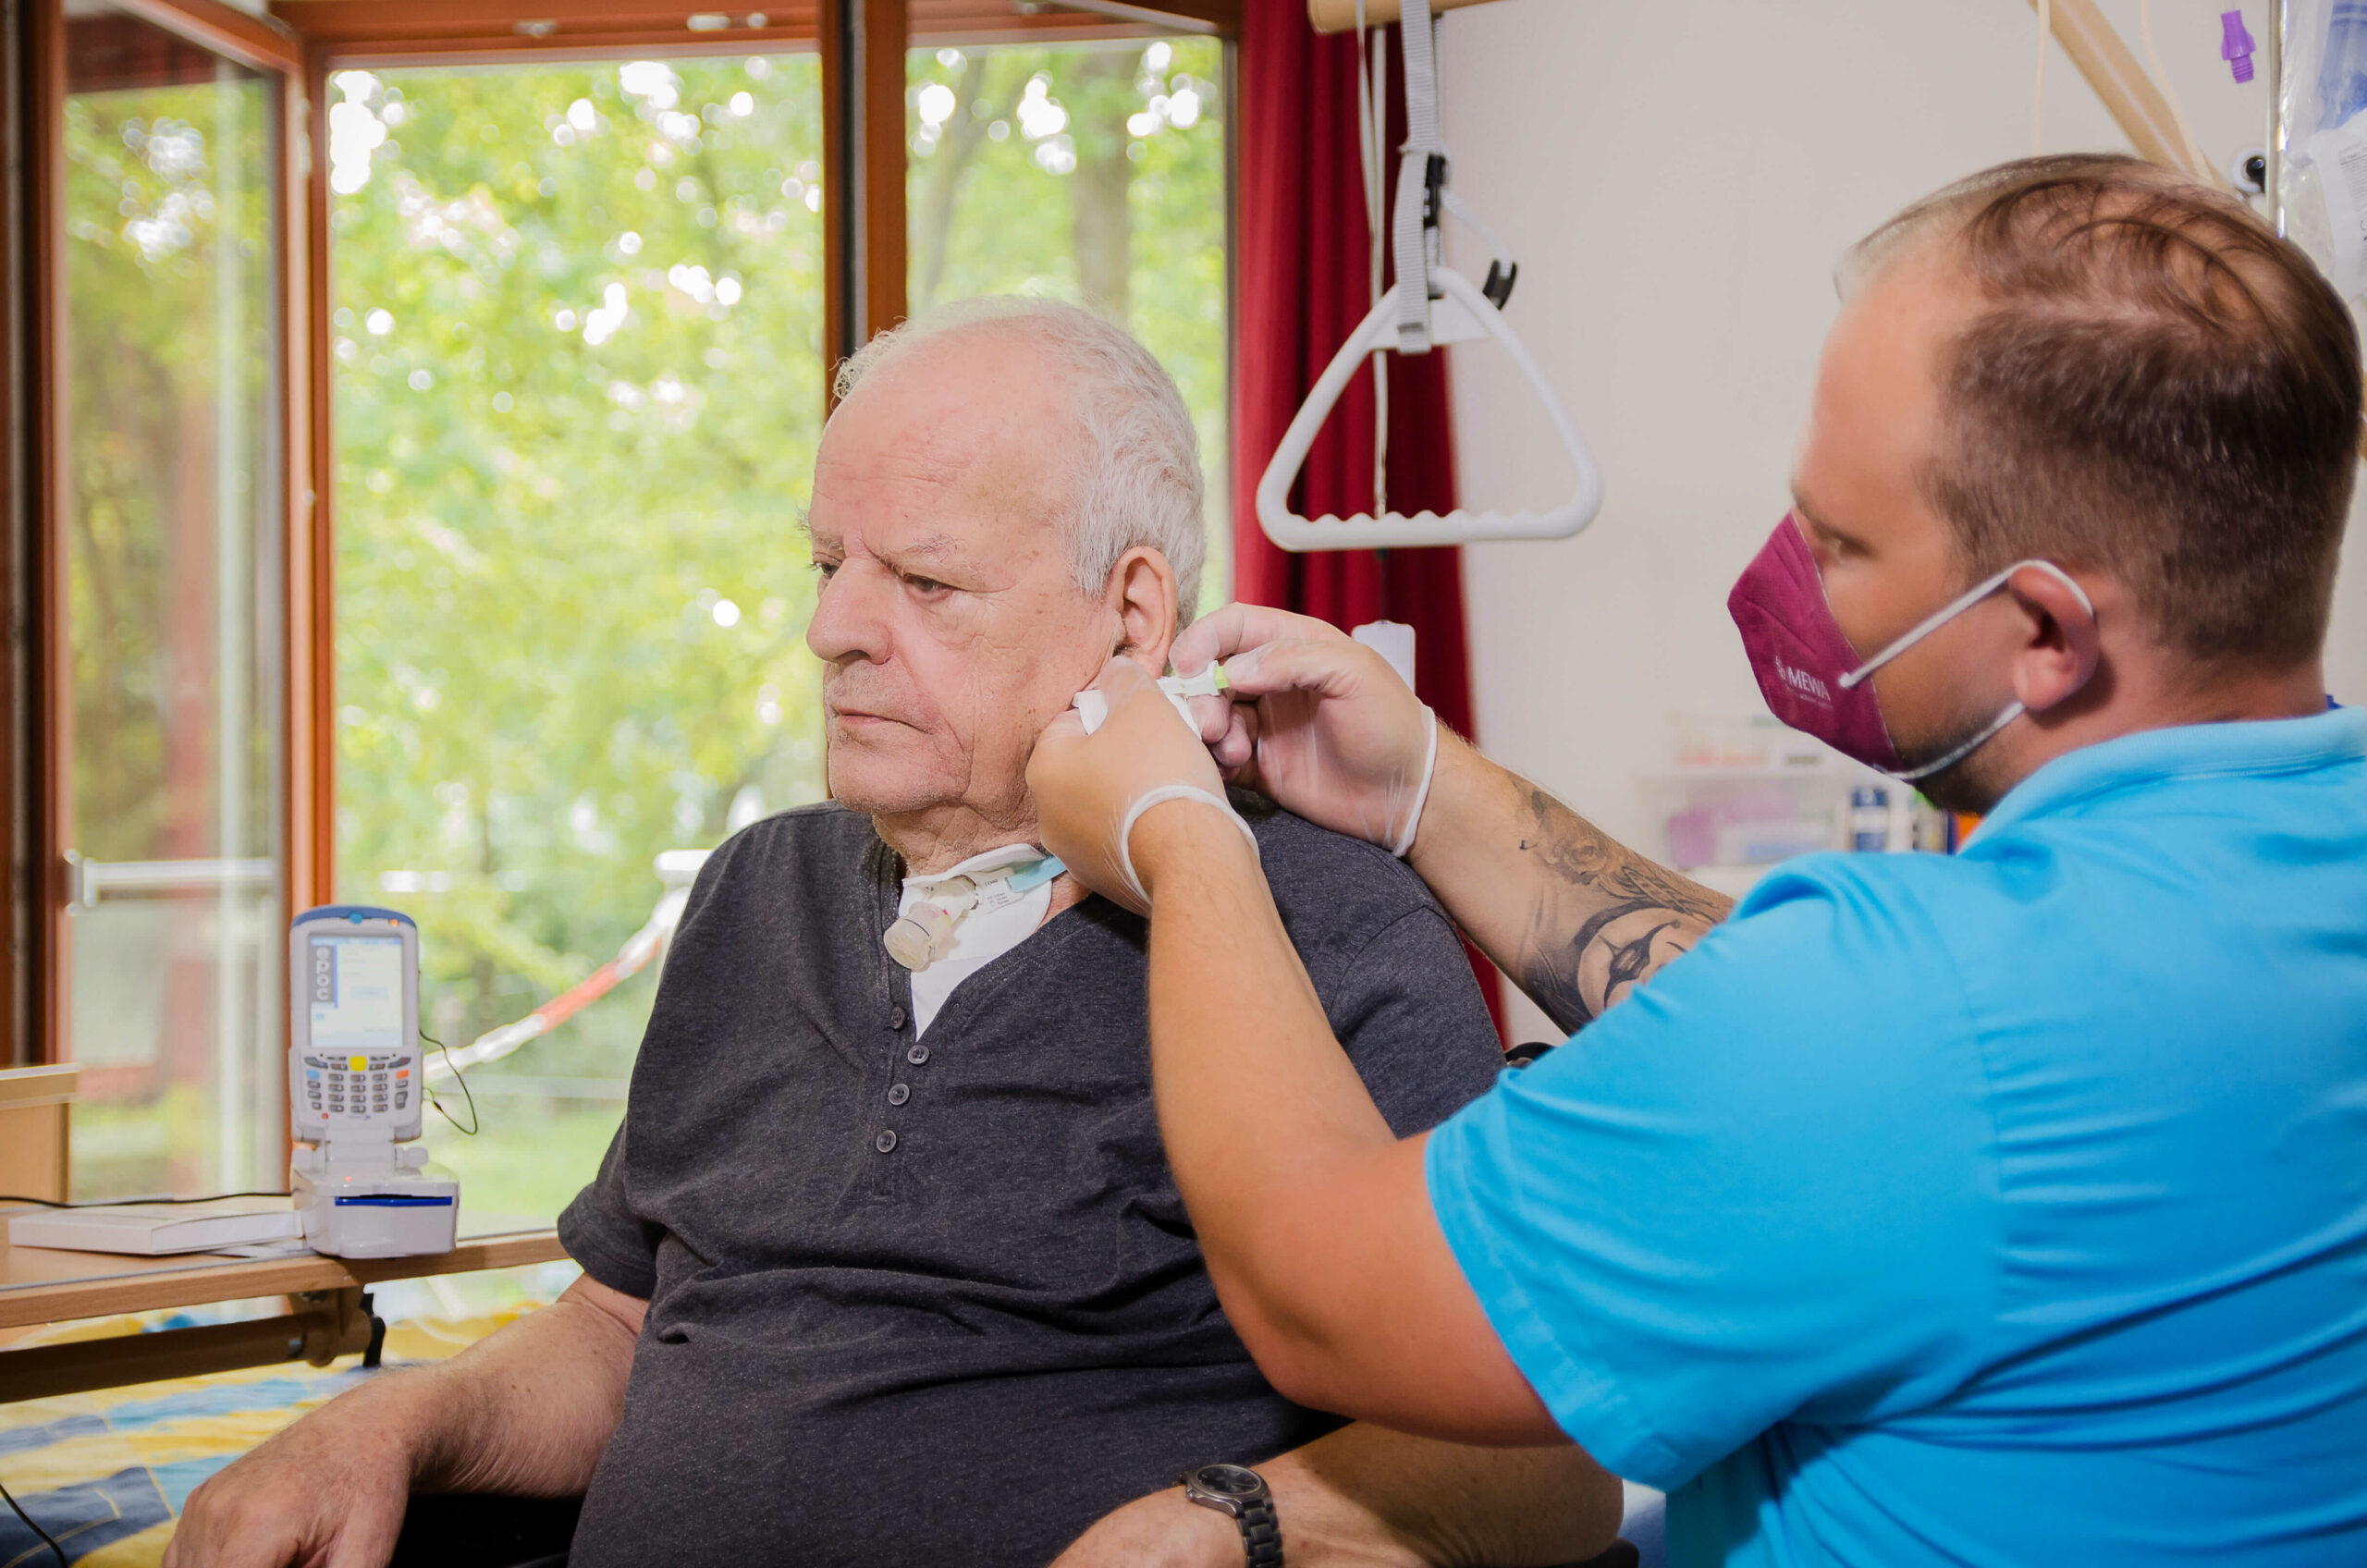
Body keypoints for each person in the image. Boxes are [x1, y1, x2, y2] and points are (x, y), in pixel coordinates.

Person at [1027, 154, 2367, 1565]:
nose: (1793, 579)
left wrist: (1178, 834)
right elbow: (1848, 1062)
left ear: (2043, 632)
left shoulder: (1905, 1023)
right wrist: (1422, 785)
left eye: (1840, 545)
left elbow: (1320, 1289)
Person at [163, 300, 1620, 1568]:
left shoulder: (1327, 917)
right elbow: (617, 1331)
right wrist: (388, 1426)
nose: (834, 632)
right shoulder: (756, 897)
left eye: (923, 583)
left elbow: (1544, 1461)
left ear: (1130, 618)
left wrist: (1220, 1526)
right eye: (826, 568)